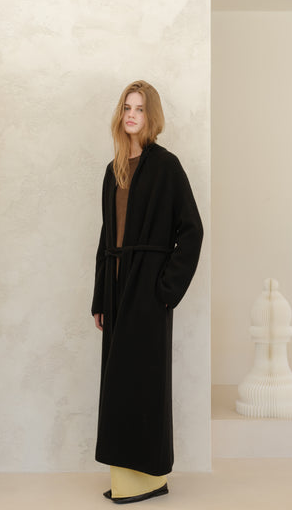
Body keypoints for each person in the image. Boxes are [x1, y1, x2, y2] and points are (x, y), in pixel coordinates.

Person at [91, 80, 204, 504]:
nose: (132, 115)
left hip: (148, 291)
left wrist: (166, 290)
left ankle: (147, 475)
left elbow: (191, 230)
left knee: (142, 382)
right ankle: (126, 473)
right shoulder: (114, 169)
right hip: (116, 289)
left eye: (139, 108)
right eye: (126, 107)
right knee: (117, 384)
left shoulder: (166, 166)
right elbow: (107, 237)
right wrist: (100, 298)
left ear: (150, 115)